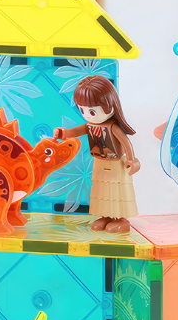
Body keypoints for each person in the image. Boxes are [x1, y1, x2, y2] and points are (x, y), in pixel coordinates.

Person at [54, 75, 140, 233]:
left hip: (117, 164)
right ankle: (106, 216)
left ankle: (121, 220)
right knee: (102, 190)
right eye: (82, 110)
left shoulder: (114, 127)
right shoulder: (91, 125)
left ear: (110, 104)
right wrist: (63, 133)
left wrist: (132, 160)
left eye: (92, 111)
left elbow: (126, 143)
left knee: (116, 191)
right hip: (100, 162)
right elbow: (76, 131)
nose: (87, 115)